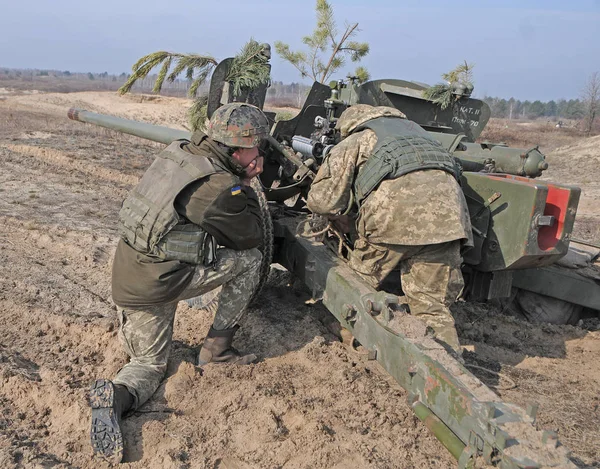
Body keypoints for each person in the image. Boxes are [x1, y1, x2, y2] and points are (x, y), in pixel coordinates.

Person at [89, 102, 269, 464]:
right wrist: (246, 183)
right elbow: (250, 236)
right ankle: (216, 353)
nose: (260, 152)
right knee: (250, 261)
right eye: (256, 145)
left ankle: (117, 394)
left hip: (132, 275)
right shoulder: (219, 188)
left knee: (145, 361)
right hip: (158, 286)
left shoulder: (182, 152)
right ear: (236, 148)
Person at [306, 104, 473, 354]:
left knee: (359, 286)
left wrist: (341, 218)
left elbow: (323, 201)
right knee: (432, 306)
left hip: (391, 224)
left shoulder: (358, 140)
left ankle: (350, 334)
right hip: (448, 226)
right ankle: (447, 362)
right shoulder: (425, 137)